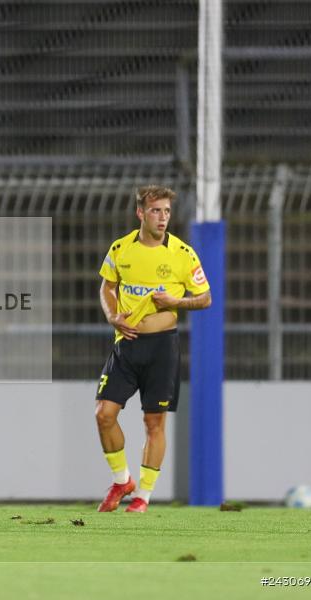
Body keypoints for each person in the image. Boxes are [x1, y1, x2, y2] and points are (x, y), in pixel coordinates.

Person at [94, 185, 211, 513]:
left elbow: (205, 298)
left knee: (154, 422)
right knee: (104, 414)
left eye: (167, 212)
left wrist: (177, 302)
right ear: (141, 213)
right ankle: (122, 480)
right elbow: (108, 286)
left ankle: (143, 496)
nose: (163, 218)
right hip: (127, 344)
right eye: (156, 211)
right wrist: (113, 316)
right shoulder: (121, 248)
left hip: (162, 348)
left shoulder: (182, 254)